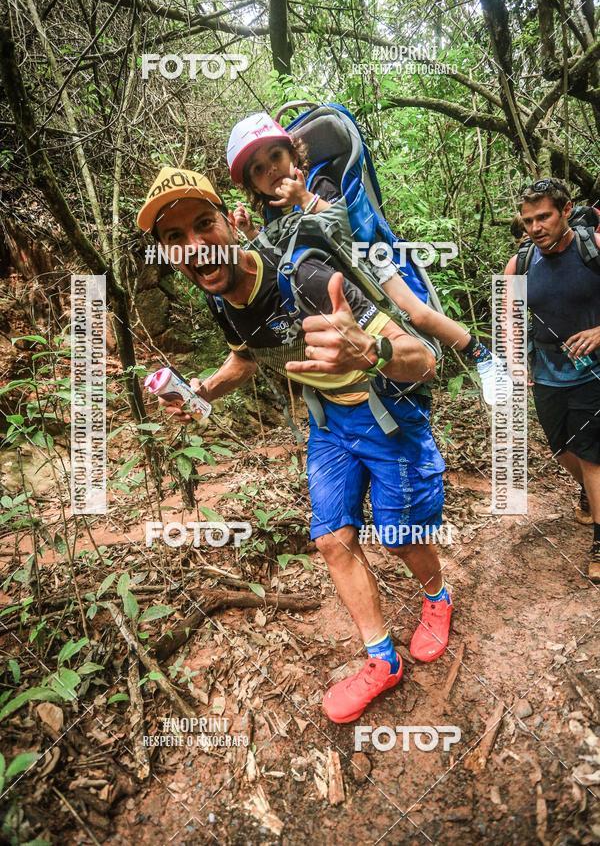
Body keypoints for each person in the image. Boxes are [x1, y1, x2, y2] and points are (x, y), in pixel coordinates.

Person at [136, 166, 454, 724]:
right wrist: (203, 390)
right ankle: (382, 660)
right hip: (328, 425)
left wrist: (371, 352)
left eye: (203, 224)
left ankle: (437, 596)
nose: (195, 247)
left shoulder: (305, 277)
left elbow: (425, 359)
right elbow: (243, 358)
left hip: (387, 418)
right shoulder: (220, 297)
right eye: (174, 239)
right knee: (334, 541)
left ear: (229, 223)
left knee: (401, 537)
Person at [226, 112, 510, 404]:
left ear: (293, 155)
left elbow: (343, 227)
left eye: (275, 156)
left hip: (367, 257)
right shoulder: (273, 211)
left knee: (416, 312)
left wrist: (304, 199)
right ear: (253, 185)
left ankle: (482, 356)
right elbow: (278, 250)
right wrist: (250, 231)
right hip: (336, 277)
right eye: (258, 169)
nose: (271, 169)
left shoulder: (318, 183)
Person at [504, 178, 600, 581]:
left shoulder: (591, 248)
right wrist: (514, 359)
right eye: (528, 221)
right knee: (562, 449)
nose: (535, 227)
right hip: (547, 372)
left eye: (543, 217)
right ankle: (588, 493)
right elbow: (508, 313)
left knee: (592, 453)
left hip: (593, 372)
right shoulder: (522, 263)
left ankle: (599, 539)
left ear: (565, 210)